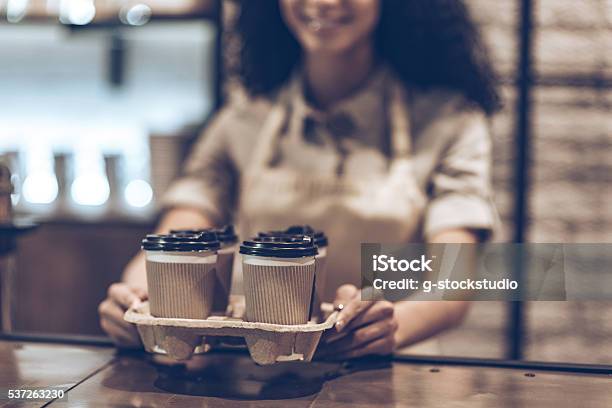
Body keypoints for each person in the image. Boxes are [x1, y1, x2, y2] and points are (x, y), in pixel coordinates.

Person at [99, 0, 499, 359]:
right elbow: (180, 232)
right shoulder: (243, 119)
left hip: (387, 368)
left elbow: (452, 287)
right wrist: (134, 297)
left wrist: (391, 324)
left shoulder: (448, 121)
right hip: (258, 366)